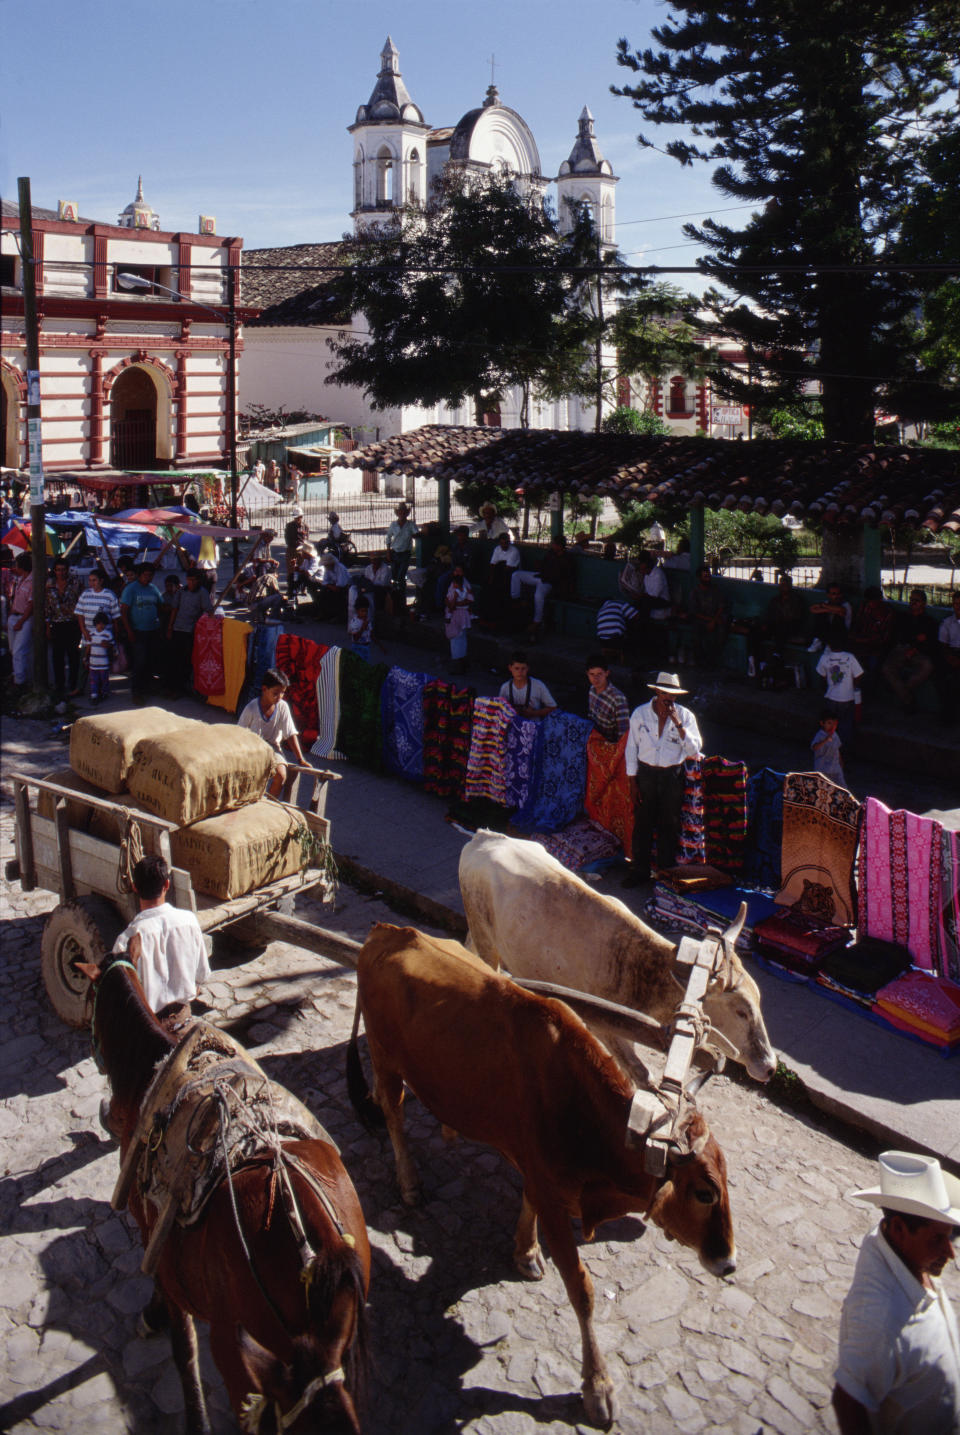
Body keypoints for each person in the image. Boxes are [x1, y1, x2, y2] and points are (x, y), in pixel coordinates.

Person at [833, 1149, 960, 1434]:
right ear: (900, 1229)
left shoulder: (895, 1247)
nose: (950, 1252)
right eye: (938, 1239)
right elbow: (848, 1401)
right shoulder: (880, 1320)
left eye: (950, 1237)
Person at [623, 672, 703, 887]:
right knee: (643, 824)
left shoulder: (685, 717)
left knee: (669, 825)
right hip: (647, 774)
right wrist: (632, 781)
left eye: (673, 695)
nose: (669, 698)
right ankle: (639, 871)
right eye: (665, 693)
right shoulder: (640, 714)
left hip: (671, 776)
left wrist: (678, 724)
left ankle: (665, 874)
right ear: (657, 692)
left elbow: (695, 749)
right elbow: (631, 748)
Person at [110, 855, 210, 1022]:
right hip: (182, 1018)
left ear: (134, 887)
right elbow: (203, 975)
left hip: (149, 1025)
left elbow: (119, 997)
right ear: (167, 885)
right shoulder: (189, 921)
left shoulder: (125, 941)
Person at [237, 667, 307, 799]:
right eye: (276, 693)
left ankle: (269, 804)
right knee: (254, 779)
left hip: (273, 749)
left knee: (281, 776)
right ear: (264, 689)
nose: (279, 697)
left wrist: (300, 759)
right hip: (252, 749)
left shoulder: (283, 707)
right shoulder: (251, 708)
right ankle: (250, 800)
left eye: (282, 693)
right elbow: (239, 733)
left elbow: (290, 733)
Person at [882, 588, 939, 713]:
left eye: (916, 600)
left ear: (924, 603)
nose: (913, 603)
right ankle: (908, 699)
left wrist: (915, 648)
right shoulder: (903, 617)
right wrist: (915, 640)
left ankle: (902, 693)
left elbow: (929, 642)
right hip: (901, 650)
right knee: (886, 668)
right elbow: (901, 636)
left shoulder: (929, 621)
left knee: (928, 666)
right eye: (911, 600)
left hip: (918, 653)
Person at [510, 533, 576, 638]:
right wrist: (539, 567)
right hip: (540, 577)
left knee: (538, 595)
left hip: (550, 584)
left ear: (560, 546)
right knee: (516, 575)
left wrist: (545, 575)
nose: (552, 546)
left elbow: (562, 577)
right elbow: (543, 565)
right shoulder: (551, 553)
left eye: (554, 544)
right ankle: (516, 600)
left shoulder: (567, 559)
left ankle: (537, 621)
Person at [120, 562, 164, 703]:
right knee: (139, 662)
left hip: (153, 630)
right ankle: (136, 692)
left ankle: (147, 688)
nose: (148, 578)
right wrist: (129, 631)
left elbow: (161, 605)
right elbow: (124, 612)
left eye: (150, 575)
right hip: (138, 632)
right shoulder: (131, 589)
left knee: (151, 661)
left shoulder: (153, 589)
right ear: (139, 575)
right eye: (145, 575)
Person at [817, 620, 864, 751]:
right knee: (845, 725)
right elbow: (859, 675)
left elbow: (821, 676)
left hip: (831, 698)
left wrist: (826, 688)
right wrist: (852, 687)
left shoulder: (824, 658)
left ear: (829, 644)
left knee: (829, 725)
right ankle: (844, 750)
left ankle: (829, 748)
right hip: (848, 699)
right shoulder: (850, 657)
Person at [167, 567, 214, 692]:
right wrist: (170, 627)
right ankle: (174, 686)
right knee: (175, 659)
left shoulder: (202, 593)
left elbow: (209, 611)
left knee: (187, 660)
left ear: (198, 581)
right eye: (189, 580)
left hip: (191, 631)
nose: (191, 583)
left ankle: (184, 687)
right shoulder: (181, 591)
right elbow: (174, 609)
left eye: (193, 580)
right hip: (178, 629)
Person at [44, 558, 83, 698]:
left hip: (73, 624)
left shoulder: (76, 582)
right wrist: (48, 627)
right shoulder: (49, 584)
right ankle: (59, 685)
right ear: (55, 571)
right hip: (57, 624)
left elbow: (81, 603)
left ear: (67, 570)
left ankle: (74, 685)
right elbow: (47, 608)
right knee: (57, 657)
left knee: (73, 656)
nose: (61, 573)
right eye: (58, 570)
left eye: (63, 570)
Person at [850, 586, 896, 694]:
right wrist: (855, 637)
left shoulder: (888, 613)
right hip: (860, 643)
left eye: (873, 602)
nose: (870, 604)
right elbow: (857, 624)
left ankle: (869, 693)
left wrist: (863, 640)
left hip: (877, 647)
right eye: (869, 601)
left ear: (880, 600)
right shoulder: (864, 607)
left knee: (873, 665)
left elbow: (883, 639)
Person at [686, 564, 728, 668]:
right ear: (699, 578)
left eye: (709, 576)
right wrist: (710, 621)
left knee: (721, 630)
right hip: (701, 619)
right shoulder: (695, 592)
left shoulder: (716, 590)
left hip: (715, 619)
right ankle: (700, 662)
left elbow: (721, 606)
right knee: (696, 633)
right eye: (705, 576)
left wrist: (714, 620)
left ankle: (713, 661)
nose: (708, 578)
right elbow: (694, 612)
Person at [498, 652, 556, 719]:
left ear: (528, 668)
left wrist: (534, 713)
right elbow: (500, 709)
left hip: (533, 725)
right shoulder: (505, 687)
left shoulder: (538, 685)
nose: (520, 672)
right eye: (516, 668)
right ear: (510, 668)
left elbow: (553, 707)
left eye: (523, 668)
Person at [585, 654, 629, 742]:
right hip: (594, 739)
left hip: (610, 745)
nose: (595, 678)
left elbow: (623, 734)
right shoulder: (592, 690)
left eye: (599, 674)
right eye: (592, 674)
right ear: (587, 674)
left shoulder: (618, 699)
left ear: (607, 673)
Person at [7, 552, 34, 686]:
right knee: (13, 650)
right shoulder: (19, 579)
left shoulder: (32, 581)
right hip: (14, 616)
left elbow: (31, 605)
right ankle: (20, 675)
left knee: (19, 650)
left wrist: (21, 621)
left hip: (24, 619)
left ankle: (20, 681)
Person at [444, 562, 474, 675]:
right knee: (456, 638)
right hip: (454, 613)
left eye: (459, 571)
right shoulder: (453, 583)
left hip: (460, 614)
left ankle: (459, 664)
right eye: (455, 571)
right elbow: (447, 598)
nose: (456, 573)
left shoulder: (465, 585)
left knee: (458, 638)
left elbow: (469, 600)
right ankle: (460, 663)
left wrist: (455, 605)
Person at [936, 590, 960, 725]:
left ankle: (951, 715)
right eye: (956, 604)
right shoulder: (947, 622)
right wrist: (950, 658)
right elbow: (943, 645)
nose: (958, 607)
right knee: (941, 677)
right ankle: (947, 715)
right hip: (951, 654)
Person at [385, 502, 419, 596]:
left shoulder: (410, 524)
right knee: (394, 576)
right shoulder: (393, 524)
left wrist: (414, 535)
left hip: (405, 553)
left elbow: (416, 534)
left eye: (404, 513)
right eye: (400, 512)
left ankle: (401, 594)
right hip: (395, 552)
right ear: (398, 513)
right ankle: (396, 595)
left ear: (406, 514)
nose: (402, 515)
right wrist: (388, 551)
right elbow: (388, 537)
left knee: (401, 575)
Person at [809, 582, 853, 653]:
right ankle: (818, 641)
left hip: (840, 634)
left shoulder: (846, 605)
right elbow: (812, 609)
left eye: (838, 593)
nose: (837, 596)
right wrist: (829, 609)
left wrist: (824, 607)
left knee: (838, 617)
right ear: (828, 595)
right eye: (833, 594)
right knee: (820, 615)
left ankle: (829, 644)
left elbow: (841, 610)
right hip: (826, 631)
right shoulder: (826, 603)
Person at [86, 610, 115, 705]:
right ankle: (94, 695)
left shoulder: (108, 634)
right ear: (95, 623)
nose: (101, 626)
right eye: (99, 624)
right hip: (93, 662)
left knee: (104, 679)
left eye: (103, 624)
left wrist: (107, 645)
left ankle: (104, 693)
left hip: (103, 662)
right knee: (94, 679)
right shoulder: (91, 634)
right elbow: (88, 646)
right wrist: (86, 657)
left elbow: (112, 646)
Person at [810, 710, 846, 787]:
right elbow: (814, 747)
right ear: (822, 723)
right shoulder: (819, 735)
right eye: (829, 723)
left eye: (834, 724)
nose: (832, 726)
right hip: (822, 768)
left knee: (842, 788)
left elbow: (837, 749)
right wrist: (825, 740)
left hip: (835, 768)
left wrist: (841, 762)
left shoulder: (835, 735)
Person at [284, 508, 309, 597]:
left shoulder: (305, 526)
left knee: (302, 569)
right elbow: (287, 539)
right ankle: (290, 588)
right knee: (291, 570)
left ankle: (302, 588)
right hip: (292, 549)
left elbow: (307, 538)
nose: (297, 519)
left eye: (298, 517)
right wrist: (295, 543)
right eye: (296, 518)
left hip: (302, 550)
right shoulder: (289, 526)